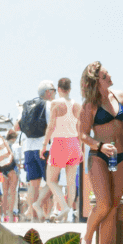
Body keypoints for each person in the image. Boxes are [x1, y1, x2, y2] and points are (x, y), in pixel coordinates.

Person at [78, 61, 123, 244]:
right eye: (104, 76)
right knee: (103, 204)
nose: (109, 77)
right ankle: (86, 238)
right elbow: (82, 135)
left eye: (108, 73)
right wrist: (99, 146)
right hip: (99, 157)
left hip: (121, 156)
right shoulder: (90, 105)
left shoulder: (121, 96)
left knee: (113, 207)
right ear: (96, 81)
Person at [17, 80, 54, 221]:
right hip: (44, 147)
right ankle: (46, 213)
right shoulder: (49, 105)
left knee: (33, 184)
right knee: (52, 182)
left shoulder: (27, 106)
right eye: (54, 90)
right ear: (48, 92)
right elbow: (52, 126)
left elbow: (16, 127)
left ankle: (33, 217)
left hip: (28, 149)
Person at [44, 75, 80, 221]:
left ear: (59, 89)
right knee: (71, 181)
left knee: (51, 180)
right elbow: (79, 127)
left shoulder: (55, 103)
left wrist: (44, 144)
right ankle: (69, 210)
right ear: (70, 89)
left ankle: (64, 206)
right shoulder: (77, 105)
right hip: (74, 143)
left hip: (59, 142)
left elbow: (51, 125)